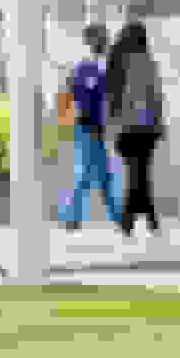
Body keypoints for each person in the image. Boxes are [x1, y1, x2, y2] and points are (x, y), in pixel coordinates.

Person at [56, 23, 123, 233]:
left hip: (95, 130)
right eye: (104, 38)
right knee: (86, 175)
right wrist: (62, 117)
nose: (108, 42)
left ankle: (116, 216)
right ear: (95, 41)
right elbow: (69, 94)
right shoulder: (87, 67)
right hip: (87, 129)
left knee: (102, 176)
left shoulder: (96, 67)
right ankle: (72, 217)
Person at [104, 19, 166, 239]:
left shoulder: (115, 60)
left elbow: (110, 98)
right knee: (139, 174)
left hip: (124, 128)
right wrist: (160, 124)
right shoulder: (146, 61)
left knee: (137, 174)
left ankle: (140, 220)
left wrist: (112, 126)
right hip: (145, 127)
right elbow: (155, 96)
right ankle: (137, 220)